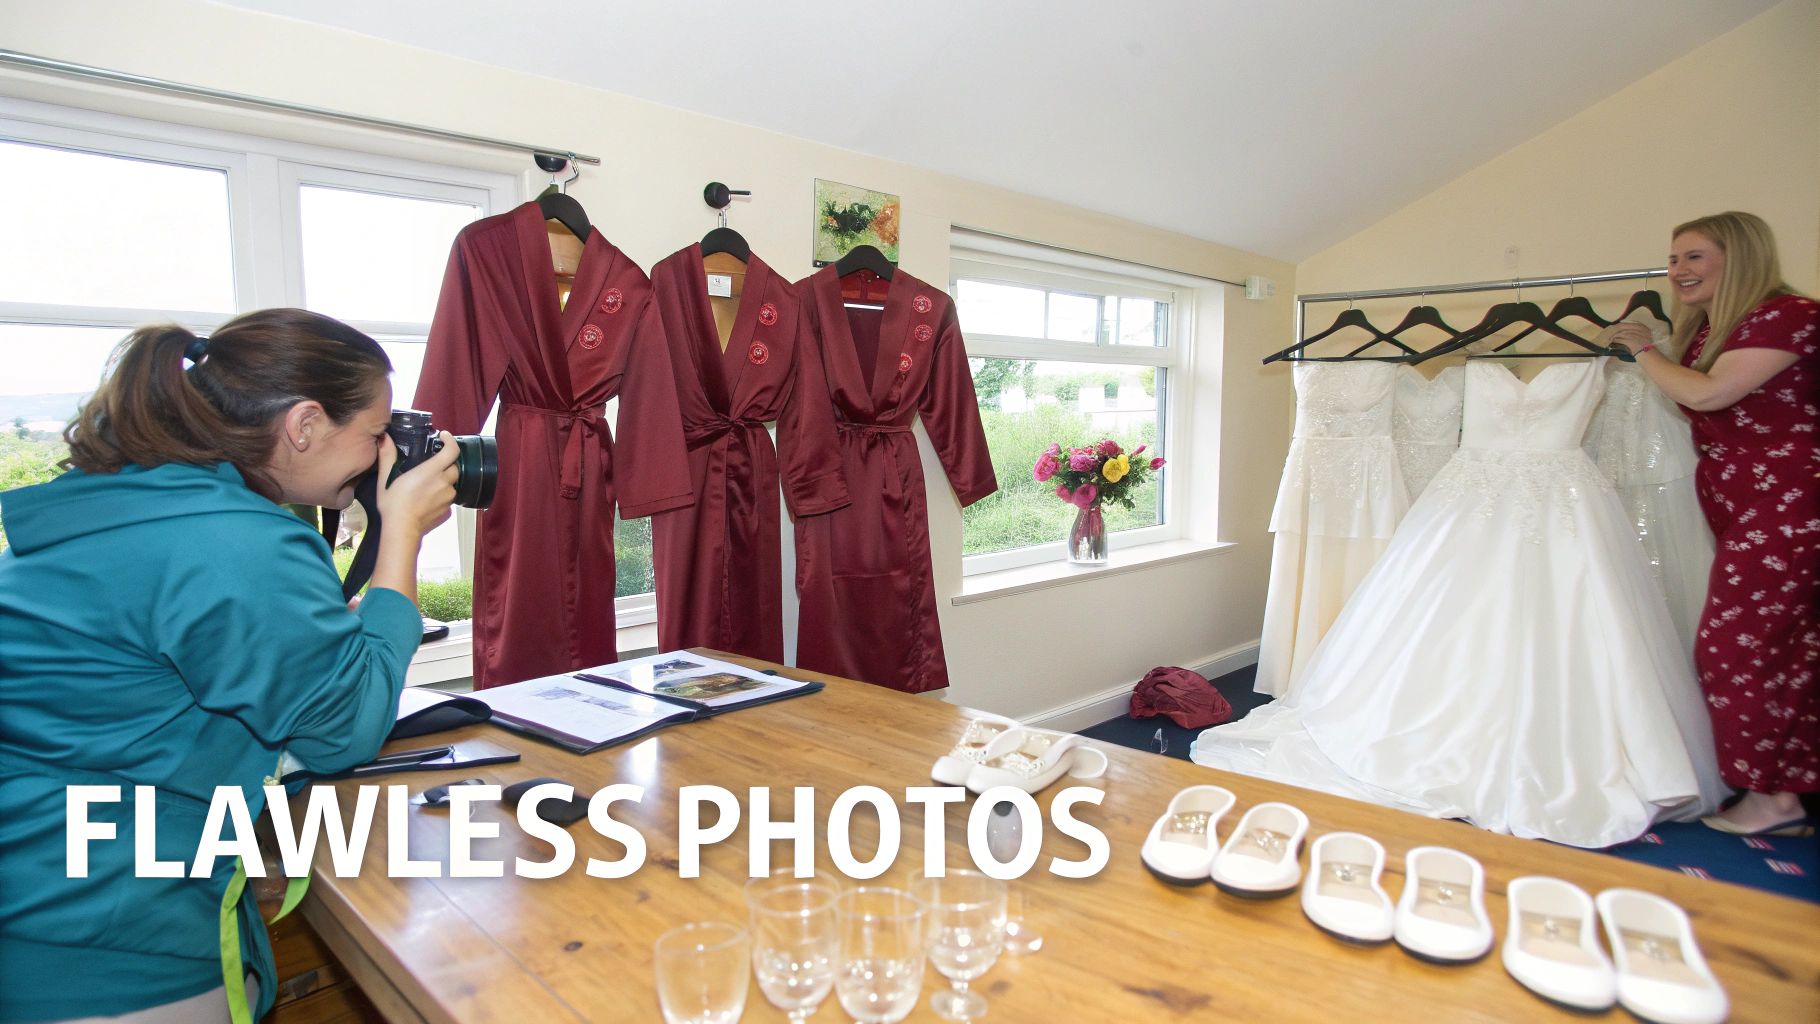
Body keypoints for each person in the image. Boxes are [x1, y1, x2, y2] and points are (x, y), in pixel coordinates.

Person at [0, 309, 460, 1023]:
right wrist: (400, 533)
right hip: (108, 940)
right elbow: (341, 734)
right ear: (304, 425)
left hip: (37, 892)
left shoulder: (127, 502)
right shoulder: (235, 541)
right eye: (374, 434)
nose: (380, 458)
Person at [1606, 211, 1820, 837]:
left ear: (1741, 256)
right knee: (1786, 650)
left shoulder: (1788, 315)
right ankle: (1785, 793)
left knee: (1735, 645)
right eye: (1674, 260)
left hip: (1788, 501)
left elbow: (1705, 396)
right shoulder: (1713, 332)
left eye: (1694, 257)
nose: (1678, 272)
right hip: (1749, 502)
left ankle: (1772, 798)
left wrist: (1643, 346)